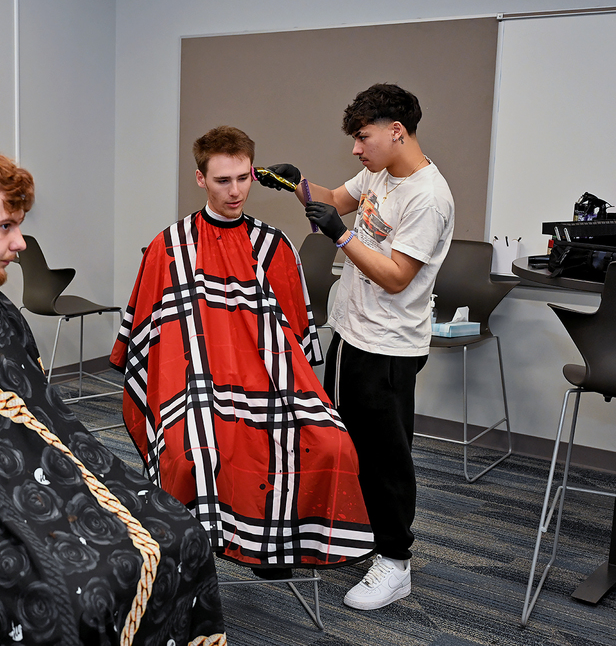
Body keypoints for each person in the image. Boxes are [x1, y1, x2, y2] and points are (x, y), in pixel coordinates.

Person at [0, 148, 227, 646]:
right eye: (6, 226)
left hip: (40, 473)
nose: (20, 243)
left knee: (180, 533)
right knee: (68, 595)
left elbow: (46, 417)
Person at [110, 125, 374, 582]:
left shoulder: (274, 246)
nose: (235, 191)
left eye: (243, 179)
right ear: (200, 179)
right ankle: (192, 556)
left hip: (268, 377)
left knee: (332, 443)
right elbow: (148, 340)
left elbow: (292, 339)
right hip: (192, 384)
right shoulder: (168, 247)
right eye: (221, 181)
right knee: (192, 452)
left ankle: (272, 544)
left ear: (254, 174)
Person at [295, 83, 455, 610]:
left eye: (363, 138)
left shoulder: (429, 198)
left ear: (396, 131)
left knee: (387, 456)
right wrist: (291, 184)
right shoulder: (380, 173)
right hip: (351, 331)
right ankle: (363, 538)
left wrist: (341, 238)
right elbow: (333, 199)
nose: (356, 149)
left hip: (389, 346)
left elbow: (394, 276)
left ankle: (395, 561)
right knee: (350, 443)